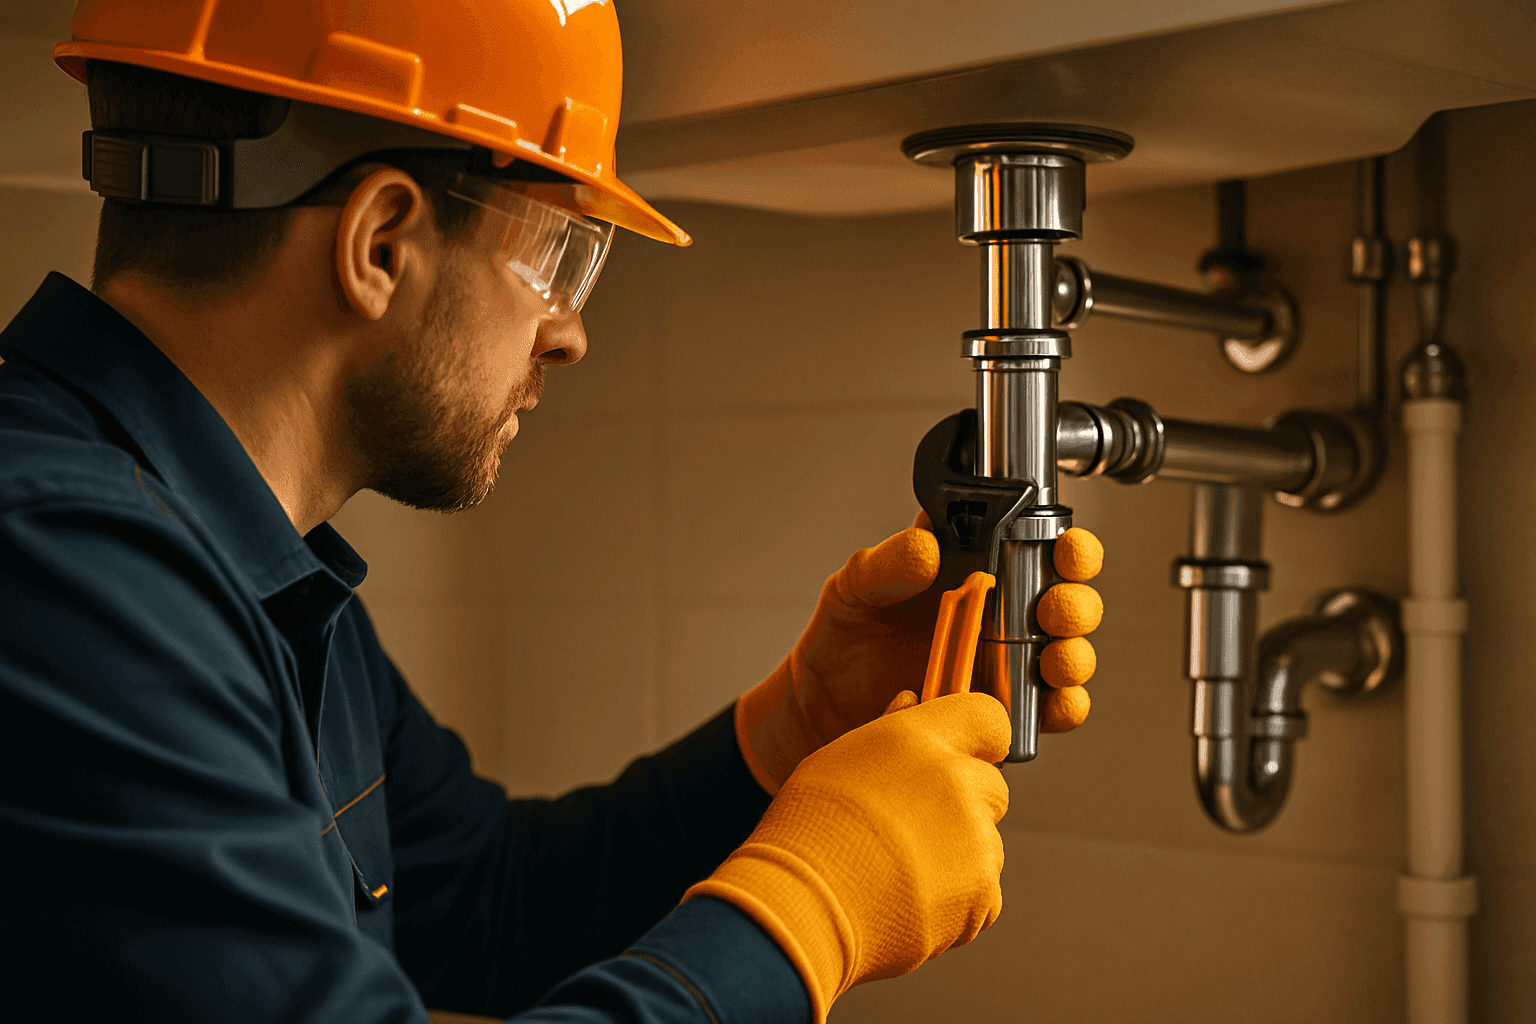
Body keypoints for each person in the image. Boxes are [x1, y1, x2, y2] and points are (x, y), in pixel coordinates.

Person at [0, 3, 1101, 1022]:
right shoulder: (62, 564)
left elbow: (490, 905)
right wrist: (811, 907)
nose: (569, 333)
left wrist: (794, 731)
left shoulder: (236, 567)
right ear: (381, 242)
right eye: (557, 251)